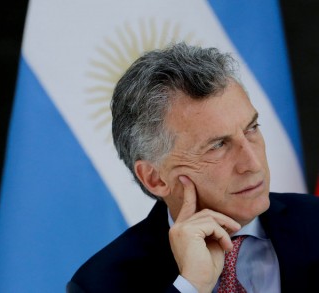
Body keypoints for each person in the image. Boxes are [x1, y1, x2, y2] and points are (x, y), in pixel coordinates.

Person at [66, 42, 319, 292]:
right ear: (155, 178)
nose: (252, 164)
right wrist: (190, 286)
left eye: (251, 129)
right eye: (218, 145)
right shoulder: (100, 284)